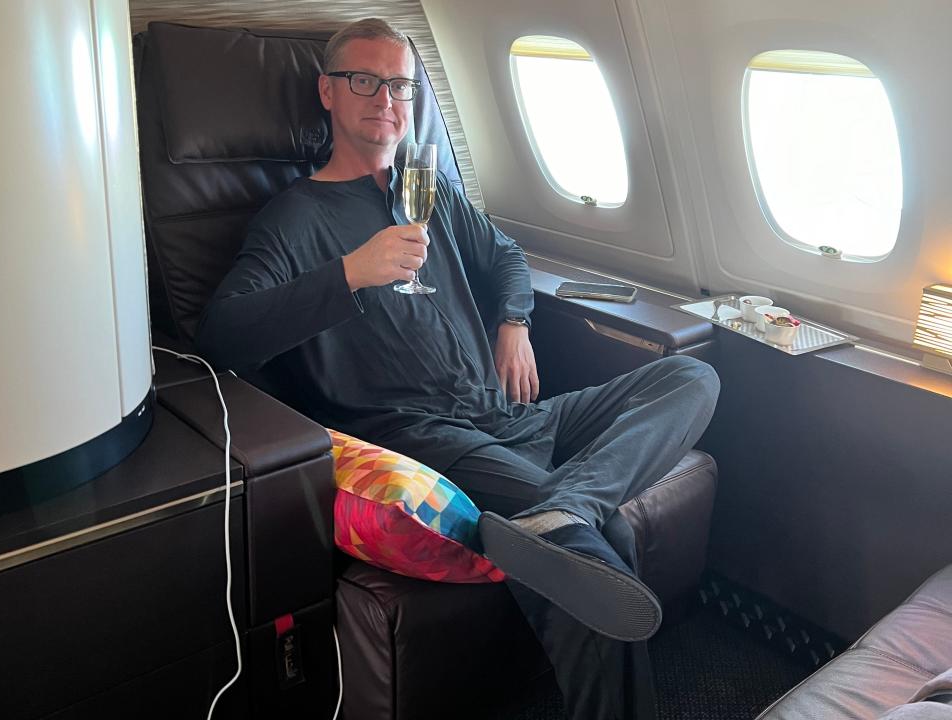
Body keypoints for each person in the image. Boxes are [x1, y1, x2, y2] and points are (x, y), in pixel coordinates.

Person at [195, 18, 720, 720]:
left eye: (401, 86)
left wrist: (514, 323)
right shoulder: (294, 219)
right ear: (327, 91)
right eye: (365, 81)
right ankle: (571, 520)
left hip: (510, 414)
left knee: (691, 379)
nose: (386, 99)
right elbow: (224, 334)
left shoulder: (428, 188)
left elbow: (504, 256)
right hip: (427, 433)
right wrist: (351, 273)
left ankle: (572, 500)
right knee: (590, 553)